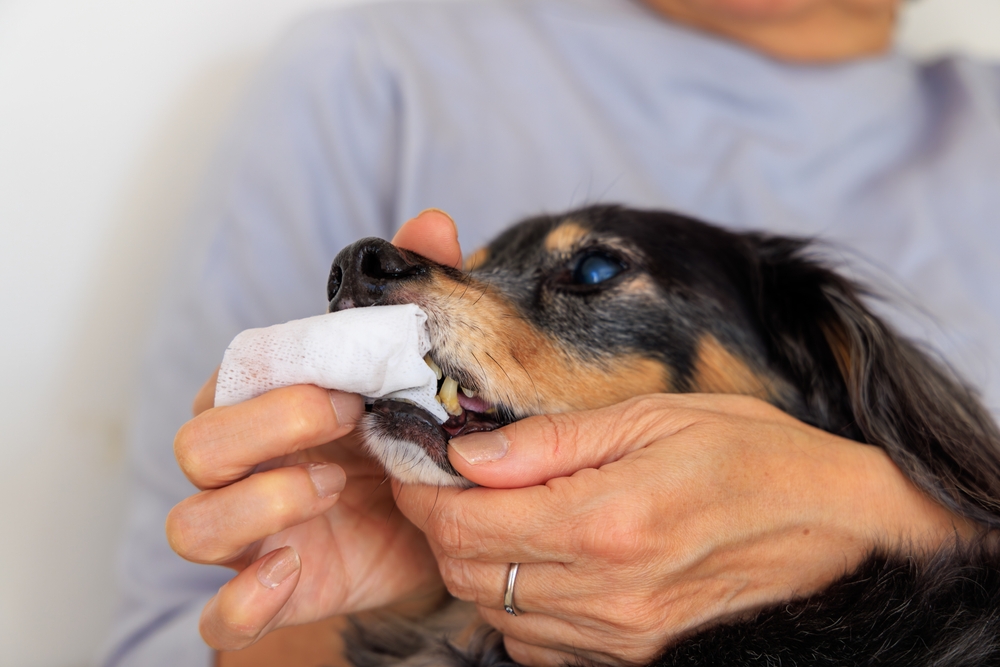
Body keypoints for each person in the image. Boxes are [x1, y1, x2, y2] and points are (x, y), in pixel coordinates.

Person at [100, 0, 1000, 665]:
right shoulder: (381, 65)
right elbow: (169, 635)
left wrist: (881, 527)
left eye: (594, 274)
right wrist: (423, 580)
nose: (380, 286)